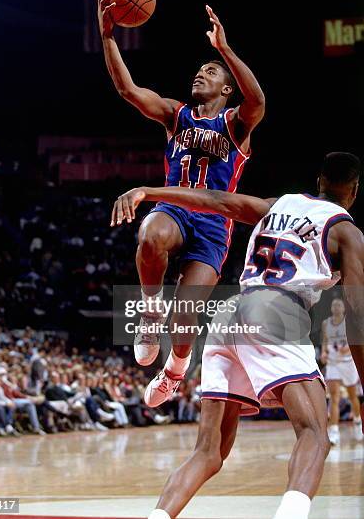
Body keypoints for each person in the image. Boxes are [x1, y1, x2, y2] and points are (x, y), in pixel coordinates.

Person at [111, 151, 364, 519]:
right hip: (278, 313)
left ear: (319, 182)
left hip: (231, 315)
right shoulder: (347, 232)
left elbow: (216, 200)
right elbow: (356, 315)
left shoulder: (281, 204)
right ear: (353, 192)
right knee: (314, 434)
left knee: (208, 453)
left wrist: (149, 191)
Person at [99, 0, 265, 406]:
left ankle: (174, 371)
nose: (201, 75)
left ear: (227, 89)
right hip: (174, 207)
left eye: (211, 72)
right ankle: (149, 312)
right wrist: (107, 37)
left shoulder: (236, 125)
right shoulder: (177, 114)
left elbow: (258, 100)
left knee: (187, 314)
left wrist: (224, 50)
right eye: (200, 70)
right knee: (150, 233)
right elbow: (129, 91)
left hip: (214, 224)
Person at [321, 296, 363, 444]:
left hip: (347, 363)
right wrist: (324, 352)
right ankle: (334, 432)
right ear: (331, 308)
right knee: (334, 397)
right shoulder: (326, 323)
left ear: (344, 308)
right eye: (334, 305)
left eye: (339, 305)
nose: (337, 307)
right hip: (333, 363)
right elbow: (325, 341)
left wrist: (348, 349)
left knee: (353, 396)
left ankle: (357, 421)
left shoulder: (349, 323)